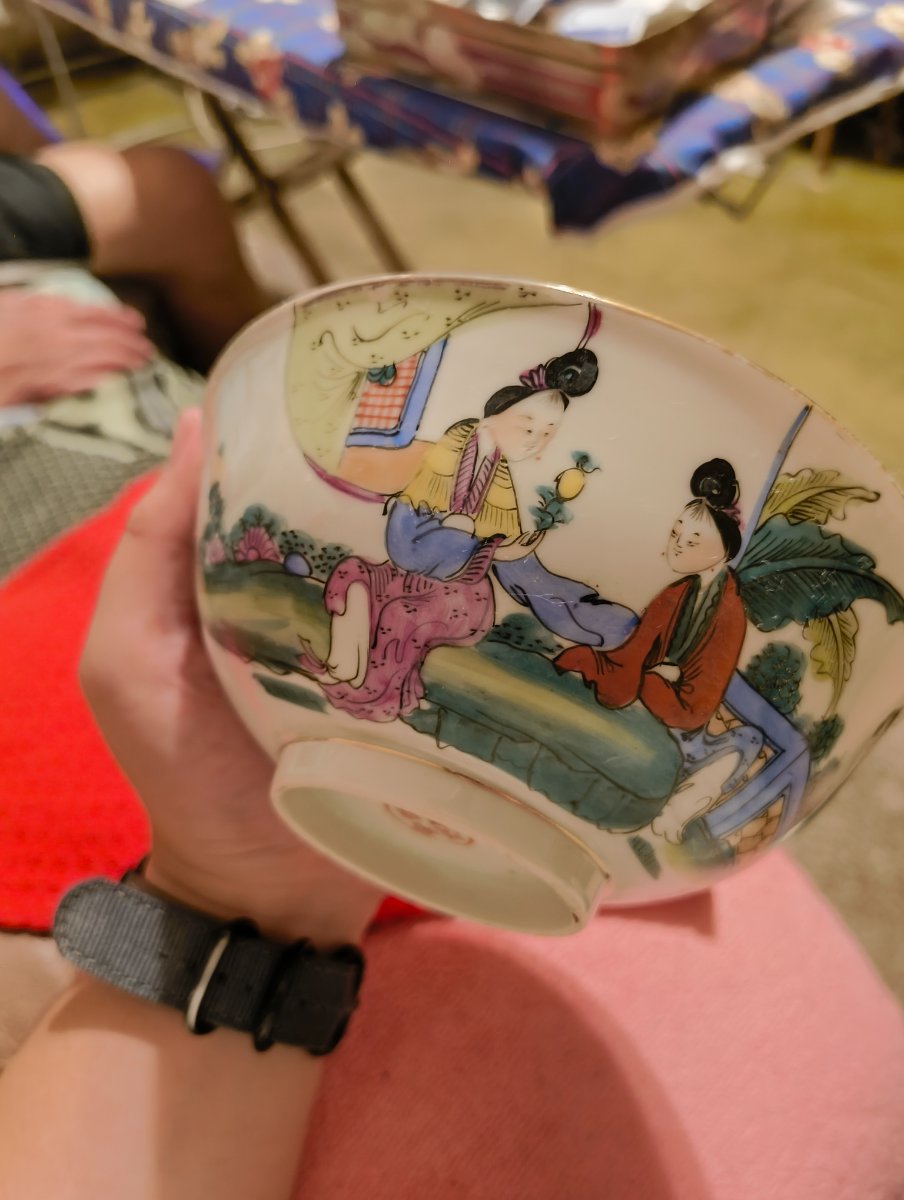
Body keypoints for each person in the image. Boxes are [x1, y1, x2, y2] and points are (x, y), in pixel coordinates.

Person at [1, 412, 903, 1199]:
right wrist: (234, 888)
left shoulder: (702, 599)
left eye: (688, 524)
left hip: (505, 652)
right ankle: (360, 676)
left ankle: (370, 675)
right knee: (369, 594)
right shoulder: (469, 464)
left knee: (423, 620)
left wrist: (235, 891)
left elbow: (665, 679)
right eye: (535, 422)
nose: (540, 437)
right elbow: (424, 542)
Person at [554, 458, 747, 732]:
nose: (677, 546)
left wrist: (672, 673)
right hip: (657, 674)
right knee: (631, 681)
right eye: (675, 534)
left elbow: (709, 680)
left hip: (689, 699)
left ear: (725, 551)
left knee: (661, 693)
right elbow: (637, 649)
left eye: (692, 542)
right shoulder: (676, 592)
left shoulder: (731, 611)